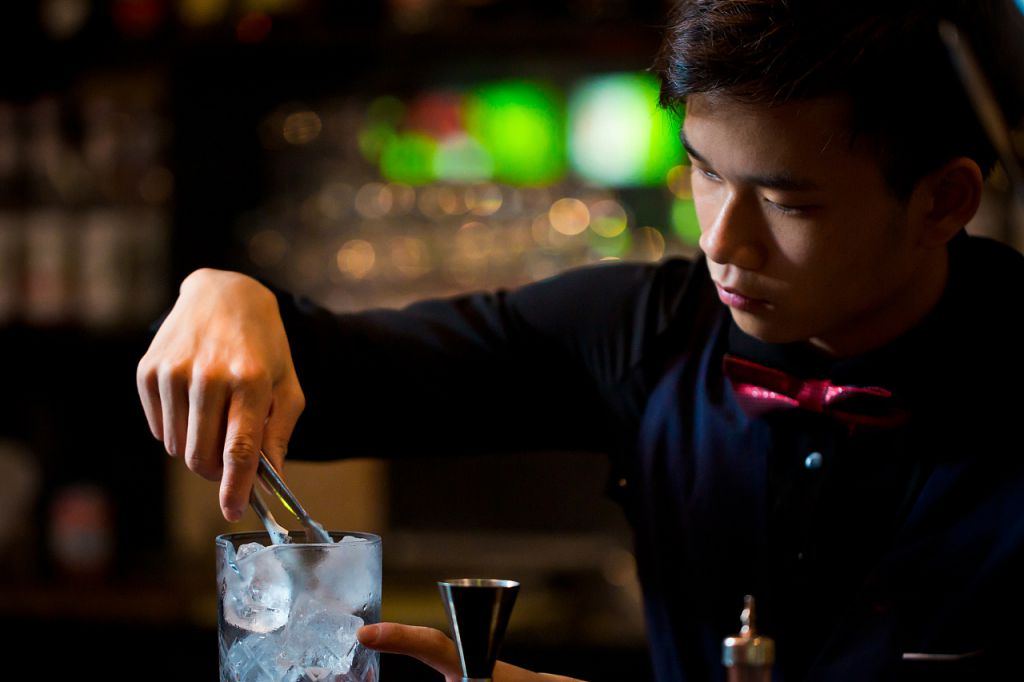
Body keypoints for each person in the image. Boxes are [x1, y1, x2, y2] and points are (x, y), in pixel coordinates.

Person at [136, 0, 1024, 680]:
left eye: (788, 204)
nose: (721, 241)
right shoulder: (645, 330)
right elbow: (340, 382)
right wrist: (226, 297)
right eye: (705, 173)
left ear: (942, 202)